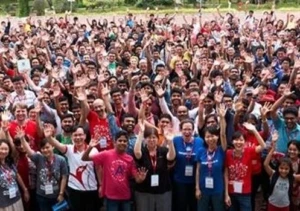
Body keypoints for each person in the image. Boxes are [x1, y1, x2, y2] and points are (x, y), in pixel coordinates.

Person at [82, 130, 148, 211]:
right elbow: (84, 158)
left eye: (125, 141)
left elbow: (136, 179)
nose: (122, 143)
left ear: (127, 143)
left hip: (125, 196)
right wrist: (90, 147)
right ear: (114, 142)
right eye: (120, 140)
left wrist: (141, 179)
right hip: (111, 197)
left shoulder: (130, 159)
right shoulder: (106, 154)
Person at [44, 124, 100, 211]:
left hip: (91, 189)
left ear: (85, 136)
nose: (78, 137)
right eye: (75, 135)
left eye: (80, 135)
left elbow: (98, 169)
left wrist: (101, 185)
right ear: (71, 137)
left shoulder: (93, 150)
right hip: (74, 189)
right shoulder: (69, 149)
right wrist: (49, 137)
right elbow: (57, 144)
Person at [133, 115, 176, 211]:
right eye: (148, 138)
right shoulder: (142, 151)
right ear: (145, 139)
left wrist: (170, 142)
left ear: (157, 139)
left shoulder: (163, 150)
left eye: (154, 138)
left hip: (163, 189)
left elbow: (171, 157)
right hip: (144, 190)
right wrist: (141, 133)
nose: (151, 140)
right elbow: (137, 153)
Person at [20, 127, 68, 211]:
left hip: (56, 195)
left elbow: (64, 177)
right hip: (41, 196)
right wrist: (22, 139)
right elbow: (29, 151)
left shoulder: (61, 160)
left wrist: (61, 193)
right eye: (43, 148)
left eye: (47, 147)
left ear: (52, 147)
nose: (45, 150)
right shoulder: (39, 158)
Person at [224, 123, 266, 211]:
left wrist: (254, 130)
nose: (238, 142)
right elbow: (226, 174)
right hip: (231, 192)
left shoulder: (249, 151)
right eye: (236, 140)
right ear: (232, 142)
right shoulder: (228, 153)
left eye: (241, 140)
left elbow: (263, 146)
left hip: (245, 192)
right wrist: (226, 194)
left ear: (245, 142)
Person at [195, 104, 227, 211]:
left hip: (217, 189)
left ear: (217, 137)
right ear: (204, 138)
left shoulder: (221, 150)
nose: (210, 139)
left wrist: (222, 118)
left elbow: (223, 134)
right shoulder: (201, 151)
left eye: (213, 136)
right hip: (203, 190)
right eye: (208, 136)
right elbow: (198, 171)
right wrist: (197, 188)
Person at [172, 119, 204, 211]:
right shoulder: (175, 140)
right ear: (180, 130)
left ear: (193, 130)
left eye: (189, 129)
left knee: (194, 206)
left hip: (195, 181)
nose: (187, 132)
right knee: (180, 206)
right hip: (179, 181)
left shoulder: (200, 141)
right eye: (184, 129)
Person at [264, 132, 294, 211]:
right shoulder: (273, 174)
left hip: (285, 206)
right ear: (278, 168)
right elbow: (265, 164)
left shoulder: (291, 177)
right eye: (281, 168)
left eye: (286, 169)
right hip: (272, 204)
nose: (283, 171)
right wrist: (272, 150)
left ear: (290, 169)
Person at [0, 139, 29, 211]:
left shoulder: (9, 162)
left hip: (16, 198)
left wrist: (25, 190)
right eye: (1, 149)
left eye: (6, 149)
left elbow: (17, 175)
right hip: (4, 203)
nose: (4, 151)